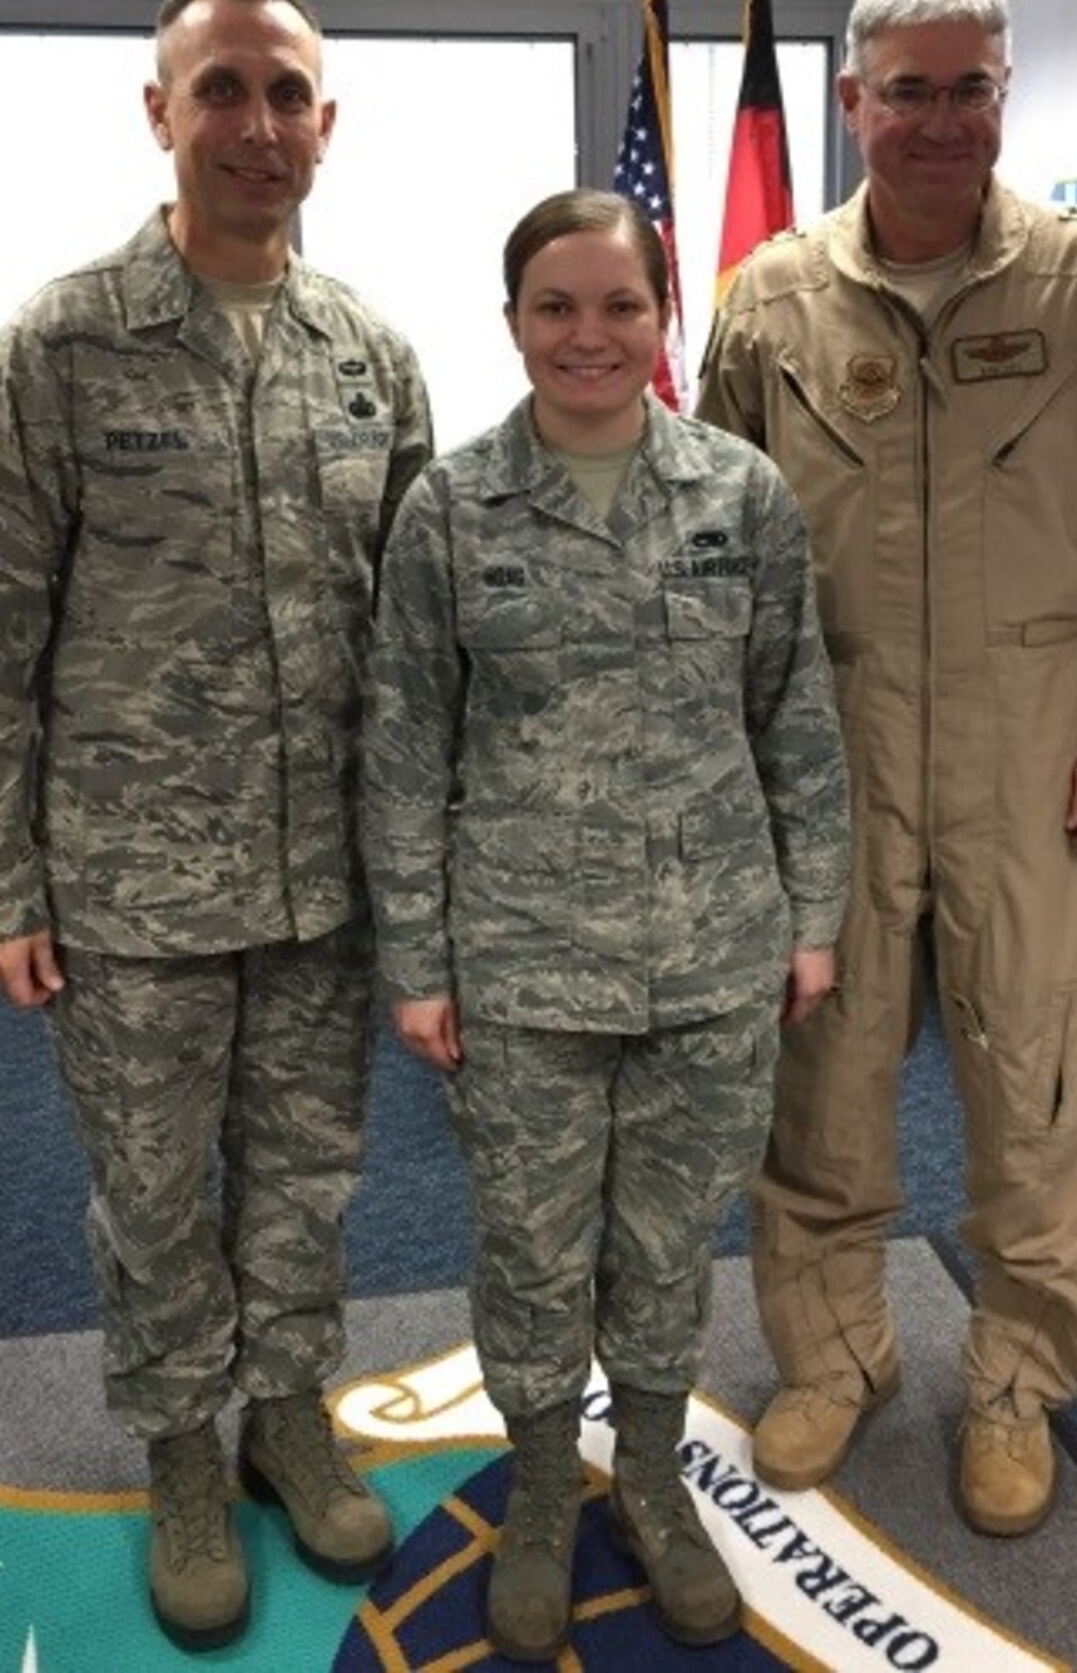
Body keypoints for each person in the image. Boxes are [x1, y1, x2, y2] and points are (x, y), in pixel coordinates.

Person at [0, 0, 433, 1650]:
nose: (256, 126)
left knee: (305, 1181)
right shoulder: (49, 352)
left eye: (286, 95)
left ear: (325, 127)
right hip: (129, 885)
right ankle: (183, 1453)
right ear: (161, 113)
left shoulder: (373, 357)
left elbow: (417, 644)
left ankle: (289, 1415)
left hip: (324, 882)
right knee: (149, 1194)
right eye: (223, 91)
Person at [696, 0, 1077, 1538]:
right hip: (829, 754)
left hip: (1035, 757)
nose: (937, 120)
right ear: (853, 101)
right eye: (906, 90)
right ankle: (836, 1356)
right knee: (824, 1082)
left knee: (1046, 1093)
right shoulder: (768, 299)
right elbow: (709, 538)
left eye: (967, 87)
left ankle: (1012, 1384)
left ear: (1005, 95)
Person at [363, 189, 849, 1660]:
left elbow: (798, 721)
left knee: (660, 1247)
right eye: (557, 308)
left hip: (712, 959)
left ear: (661, 317)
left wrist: (812, 917)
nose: (589, 336)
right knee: (527, 1251)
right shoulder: (450, 508)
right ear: (512, 321)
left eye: (620, 306)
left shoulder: (741, 493)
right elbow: (402, 748)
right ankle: (536, 1496)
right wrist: (417, 962)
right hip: (518, 973)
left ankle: (645, 1475)